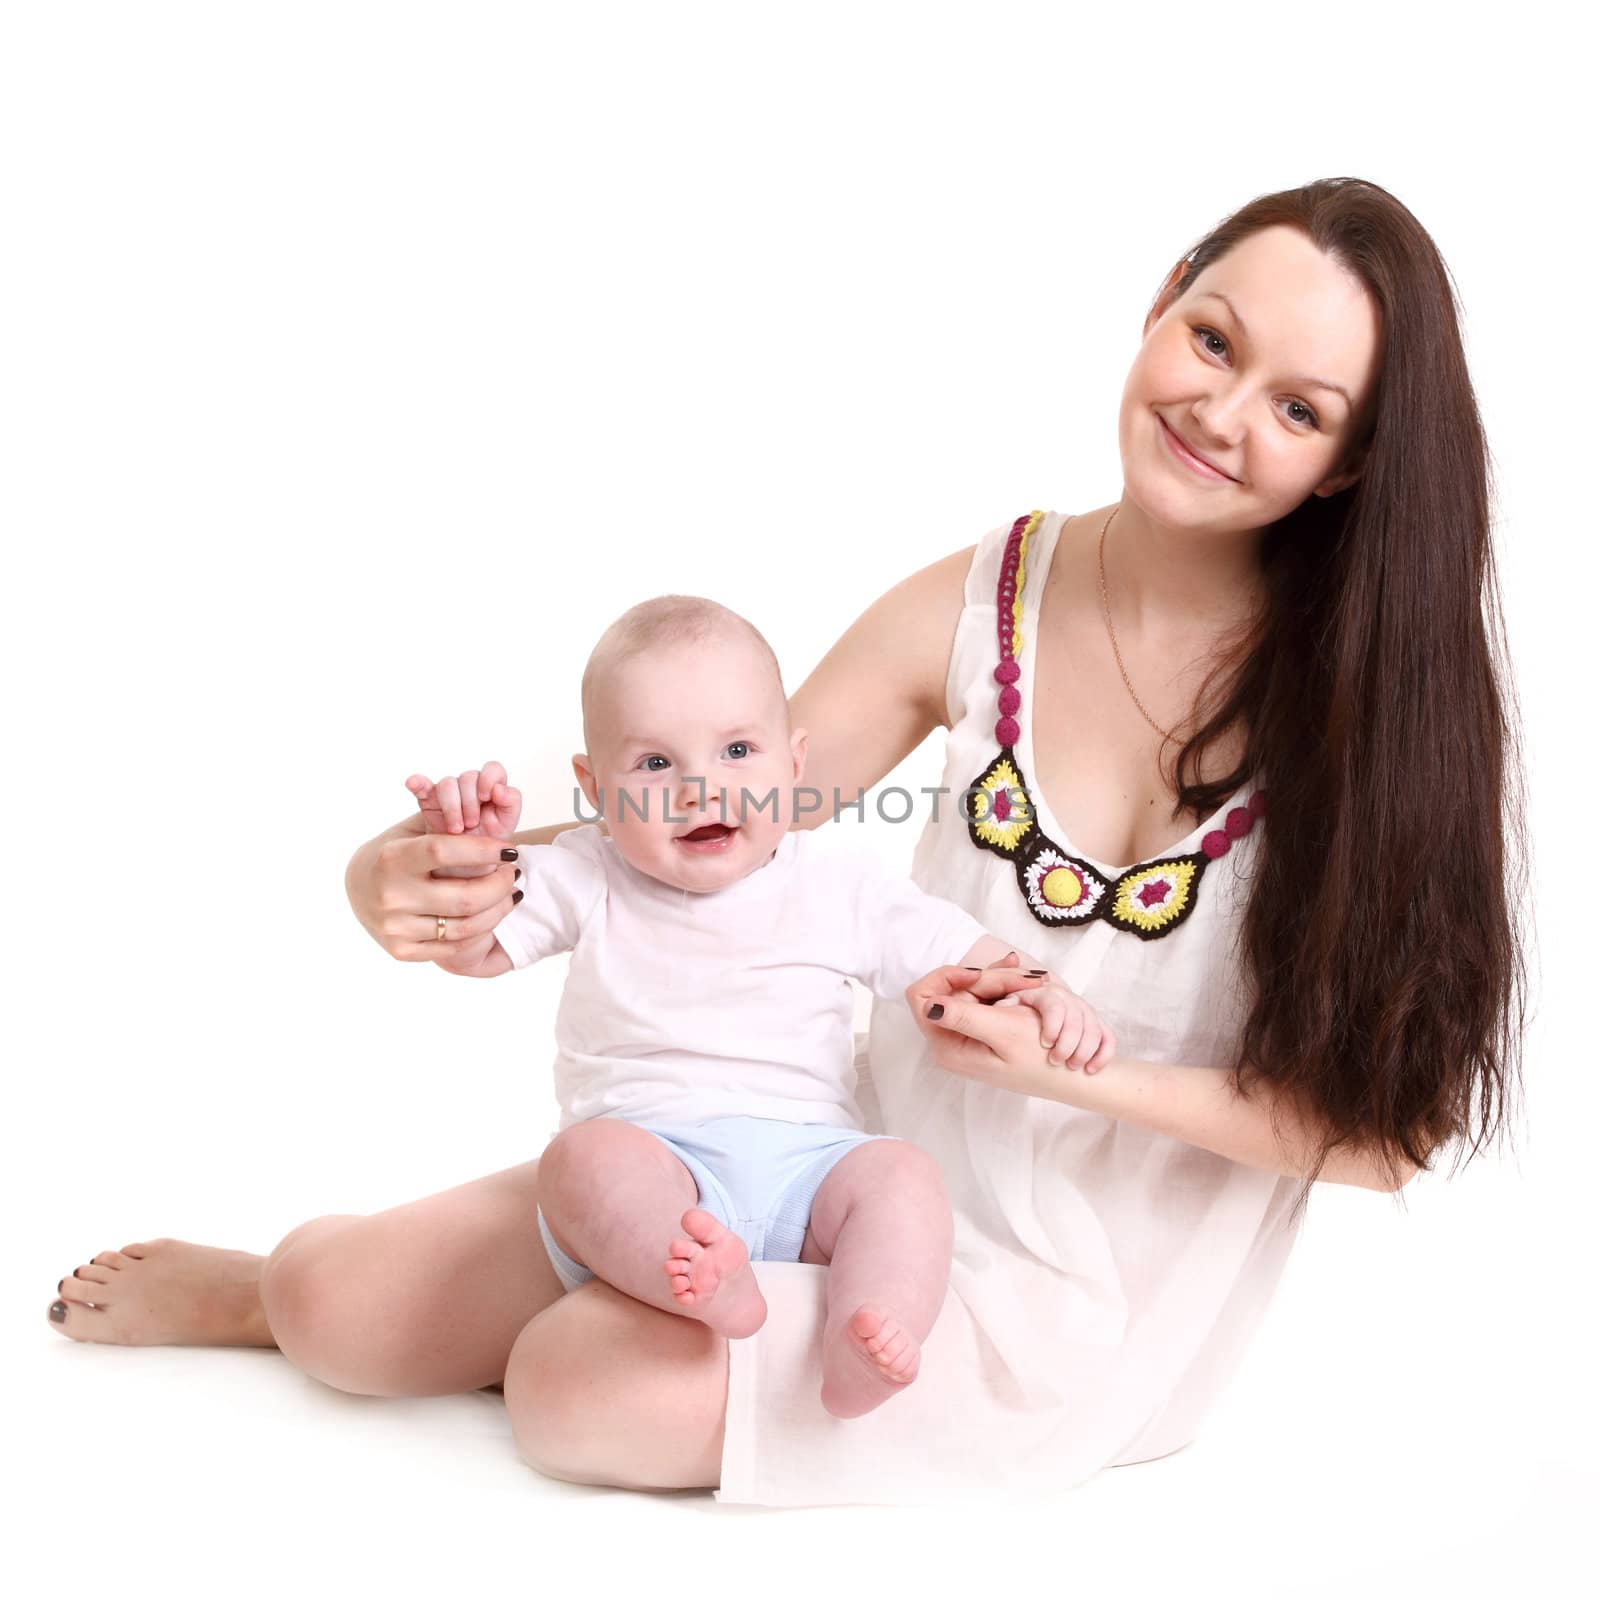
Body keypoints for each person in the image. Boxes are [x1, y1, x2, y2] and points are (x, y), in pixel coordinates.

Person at [46, 177, 1527, 1507]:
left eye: (1301, 407)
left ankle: (619, 1326)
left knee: (577, 1388)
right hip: (820, 1150)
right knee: (336, 1305)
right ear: (1158, 307)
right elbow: (722, 819)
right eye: (1214, 340)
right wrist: (434, 873)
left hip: (1059, 1299)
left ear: (1346, 464)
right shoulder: (991, 591)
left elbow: (1387, 1140)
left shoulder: (1381, 712)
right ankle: (274, 1298)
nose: (1224, 411)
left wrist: (1087, 1071)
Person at [402, 593, 1112, 1418]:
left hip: (811, 1173)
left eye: (738, 750)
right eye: (656, 765)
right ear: (597, 790)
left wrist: (1047, 991)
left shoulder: (837, 886)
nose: (702, 788)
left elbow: (962, 952)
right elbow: (476, 946)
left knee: (902, 1177)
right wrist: (468, 859)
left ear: (793, 762)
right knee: (580, 1163)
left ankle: (871, 1332)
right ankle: (701, 1284)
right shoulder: (586, 872)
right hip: (658, 1164)